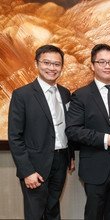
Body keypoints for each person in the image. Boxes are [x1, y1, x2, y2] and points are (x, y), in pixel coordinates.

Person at [65, 44, 110, 220]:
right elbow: (72, 130)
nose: (107, 66)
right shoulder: (81, 95)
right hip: (96, 165)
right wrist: (104, 139)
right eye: (102, 62)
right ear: (92, 65)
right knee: (94, 214)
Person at [8, 44, 75, 220]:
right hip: (35, 165)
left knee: (53, 209)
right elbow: (15, 137)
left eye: (57, 64)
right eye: (47, 63)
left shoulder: (65, 93)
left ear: (61, 66)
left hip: (60, 160)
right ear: (37, 64)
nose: (52, 68)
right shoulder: (22, 95)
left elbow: (67, 128)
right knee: (35, 213)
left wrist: (70, 156)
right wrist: (27, 171)